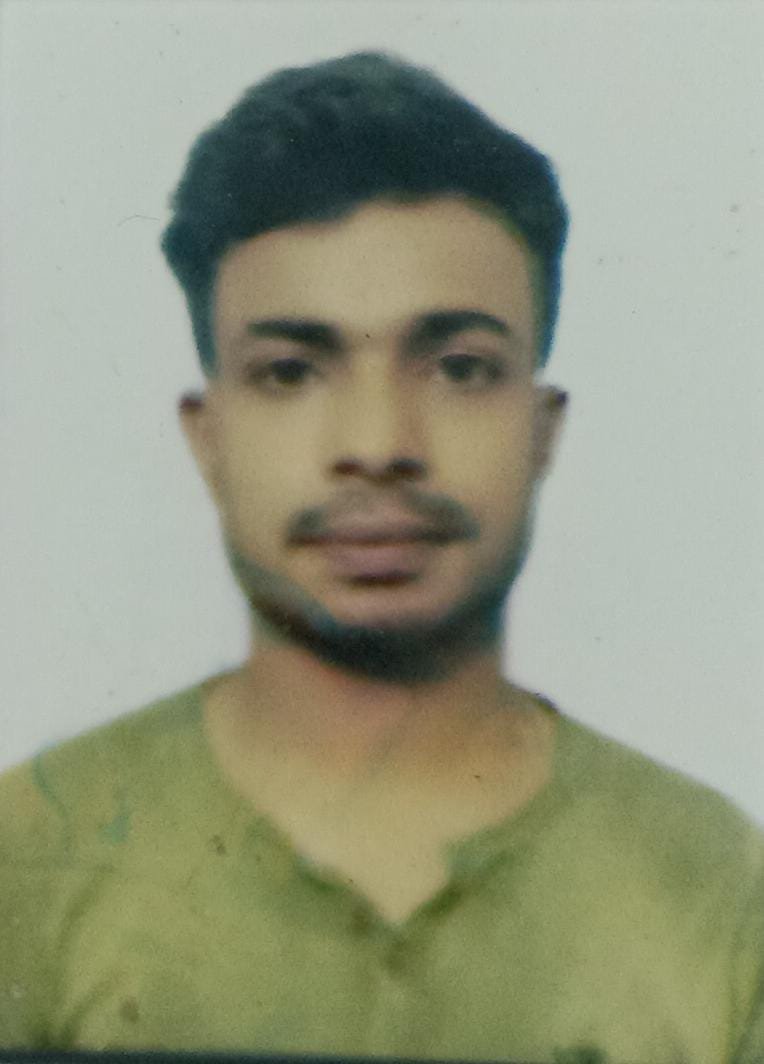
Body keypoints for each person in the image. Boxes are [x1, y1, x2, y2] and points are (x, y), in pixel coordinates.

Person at [0, 51, 761, 1064]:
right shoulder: (27, 857)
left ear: (540, 430)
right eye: (289, 370)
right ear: (208, 437)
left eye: (459, 367)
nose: (378, 441)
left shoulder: (719, 890)